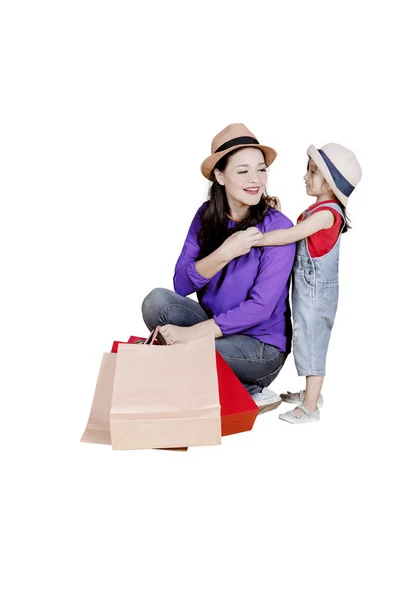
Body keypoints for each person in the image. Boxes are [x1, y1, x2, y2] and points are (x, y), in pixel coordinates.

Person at [141, 123, 296, 412]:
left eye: (261, 169)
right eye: (243, 171)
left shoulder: (278, 228)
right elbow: (181, 285)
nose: (256, 180)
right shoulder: (206, 216)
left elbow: (260, 308)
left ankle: (252, 387)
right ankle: (221, 381)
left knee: (185, 349)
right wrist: (225, 252)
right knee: (156, 302)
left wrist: (190, 334)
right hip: (215, 326)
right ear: (220, 175)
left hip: (259, 348)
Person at [253, 143, 362, 423]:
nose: (305, 176)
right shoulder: (319, 208)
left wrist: (258, 239)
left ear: (331, 183)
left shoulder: (327, 213)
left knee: (312, 342)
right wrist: (276, 212)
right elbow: (297, 232)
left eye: (313, 172)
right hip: (307, 289)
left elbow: (292, 235)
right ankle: (310, 393)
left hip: (316, 294)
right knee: (304, 339)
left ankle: (311, 407)